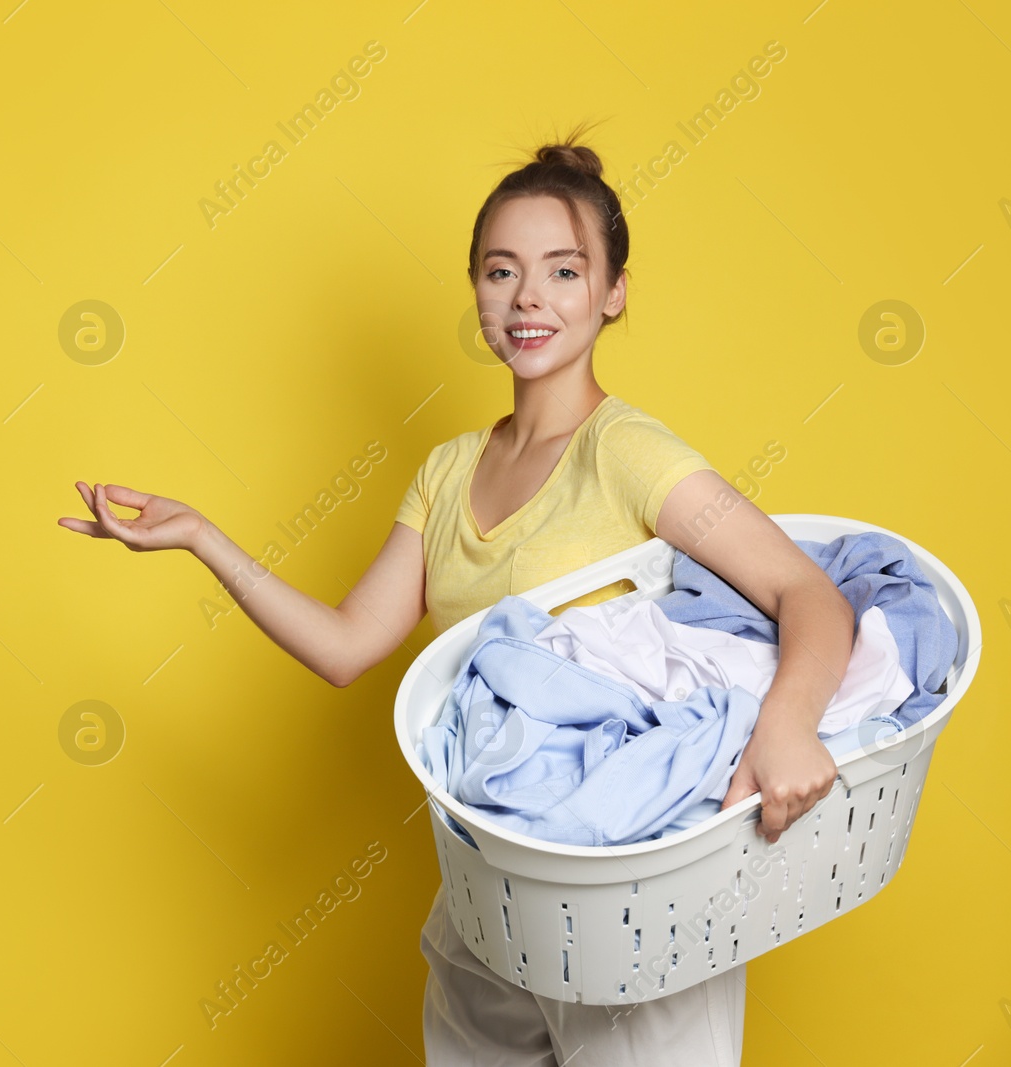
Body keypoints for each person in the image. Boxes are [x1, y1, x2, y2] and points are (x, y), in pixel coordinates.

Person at [58, 121, 856, 1066]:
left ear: (613, 293)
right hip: (488, 898)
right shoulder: (446, 472)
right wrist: (201, 538)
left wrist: (787, 728)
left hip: (630, 904)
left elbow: (808, 592)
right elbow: (349, 647)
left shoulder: (627, 452)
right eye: (498, 270)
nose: (527, 298)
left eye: (564, 271)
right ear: (475, 289)